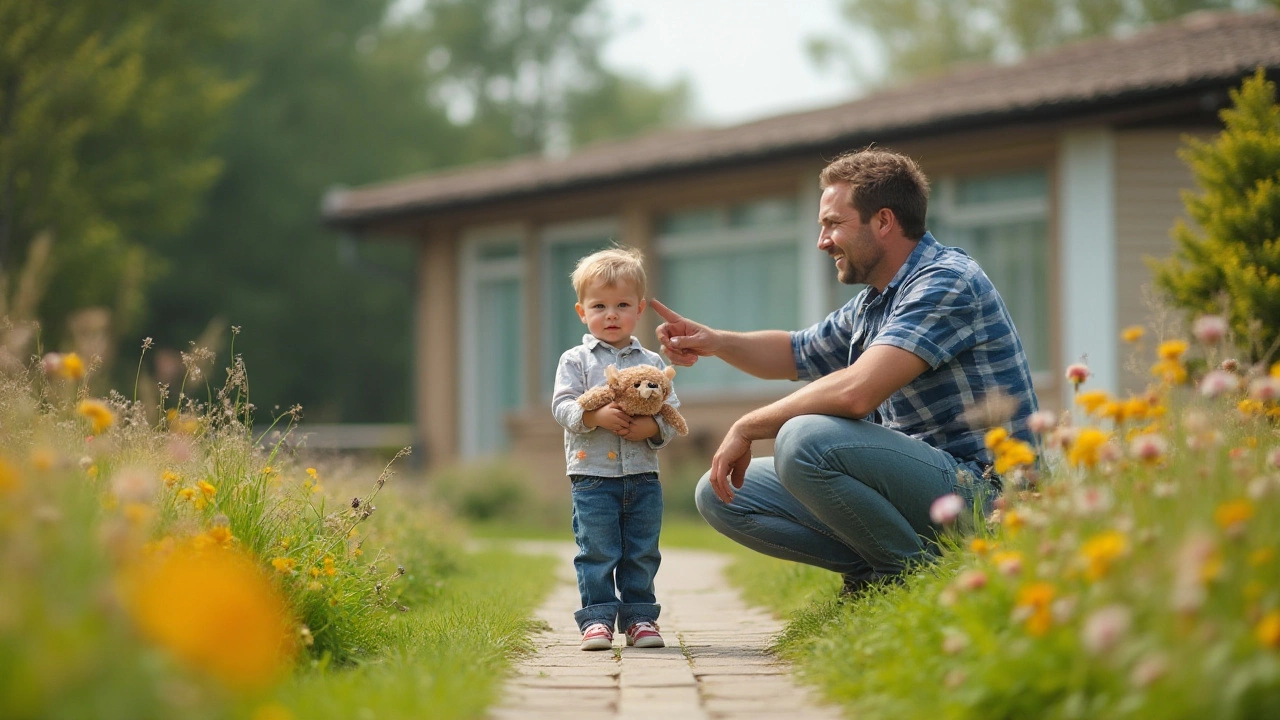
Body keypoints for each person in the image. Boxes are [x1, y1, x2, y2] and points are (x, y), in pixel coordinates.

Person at [652, 147, 1039, 597]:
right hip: (918, 484)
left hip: (987, 493)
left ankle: (911, 575)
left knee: (805, 440)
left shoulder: (946, 281)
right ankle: (879, 565)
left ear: (884, 222)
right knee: (719, 494)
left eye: (833, 224)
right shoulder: (876, 300)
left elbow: (858, 392)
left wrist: (747, 425)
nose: (823, 241)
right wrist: (715, 342)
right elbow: (795, 353)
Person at [552, 246, 682, 650]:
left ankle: (641, 618)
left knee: (642, 552)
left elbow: (671, 412)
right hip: (592, 477)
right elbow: (563, 405)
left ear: (639, 309)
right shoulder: (576, 360)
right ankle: (597, 620)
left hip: (642, 476)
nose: (611, 314)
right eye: (600, 306)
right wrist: (594, 418)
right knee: (597, 550)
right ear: (582, 312)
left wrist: (651, 427)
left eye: (622, 305)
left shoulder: (651, 361)